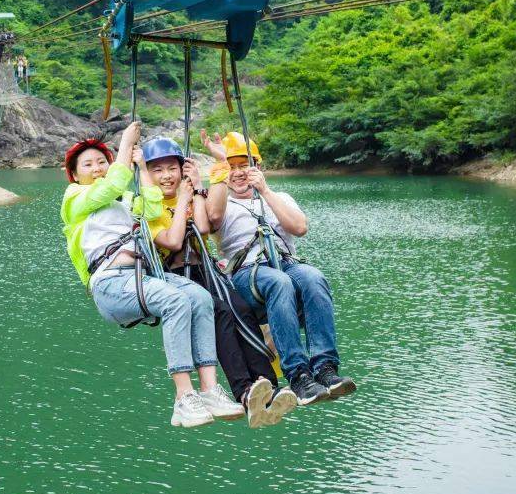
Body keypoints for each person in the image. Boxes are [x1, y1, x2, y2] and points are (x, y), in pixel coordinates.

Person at [60, 121, 243, 428]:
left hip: (139, 277)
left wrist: (143, 167)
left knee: (199, 297)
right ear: (75, 175)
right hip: (111, 283)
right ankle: (184, 396)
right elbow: (113, 185)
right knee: (175, 301)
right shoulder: (75, 199)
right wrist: (123, 148)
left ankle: (210, 389)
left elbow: (153, 209)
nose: (97, 168)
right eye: (88, 164)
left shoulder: (123, 204)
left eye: (101, 162)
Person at [141, 137, 298, 429]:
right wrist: (185, 199)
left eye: (172, 169)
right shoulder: (148, 206)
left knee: (240, 309)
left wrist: (196, 187)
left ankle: (267, 385)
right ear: (147, 174)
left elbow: (202, 226)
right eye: (157, 170)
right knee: (220, 314)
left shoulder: (186, 193)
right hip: (177, 272)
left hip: (205, 268)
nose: (166, 176)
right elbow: (173, 241)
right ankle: (243, 388)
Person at [202, 130, 357, 407]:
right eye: (232, 167)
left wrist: (265, 191)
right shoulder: (221, 200)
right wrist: (221, 167)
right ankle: (298, 374)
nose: (238, 173)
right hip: (247, 271)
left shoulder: (278, 196)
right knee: (279, 283)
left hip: (285, 263)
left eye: (244, 166)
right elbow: (211, 219)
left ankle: (325, 368)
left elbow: (299, 227)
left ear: (258, 168)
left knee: (313, 277)